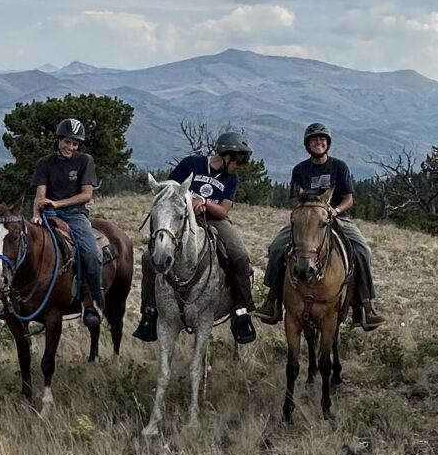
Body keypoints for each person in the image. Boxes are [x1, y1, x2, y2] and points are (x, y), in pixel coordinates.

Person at [134, 130, 257, 345]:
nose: (240, 166)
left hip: (214, 221)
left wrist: (206, 203)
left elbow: (223, 211)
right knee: (148, 258)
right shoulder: (192, 164)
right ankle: (149, 312)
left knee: (240, 257)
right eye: (238, 161)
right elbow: (168, 193)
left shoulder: (232, 179)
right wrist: (187, 204)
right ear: (226, 155)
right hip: (181, 219)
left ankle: (241, 311)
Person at [260, 123, 382, 331]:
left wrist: (335, 210)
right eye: (314, 140)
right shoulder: (300, 170)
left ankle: (365, 305)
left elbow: (349, 199)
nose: (319, 142)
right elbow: (294, 199)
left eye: (322, 139)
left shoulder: (339, 167)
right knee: (277, 248)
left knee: (363, 250)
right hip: (307, 219)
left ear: (328, 144)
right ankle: (272, 300)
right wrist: (304, 212)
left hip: (335, 217)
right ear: (307, 145)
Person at [29, 117, 103, 330]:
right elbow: (40, 195)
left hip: (75, 214)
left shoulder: (85, 161)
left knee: (91, 252)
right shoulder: (45, 163)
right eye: (67, 142)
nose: (70, 147)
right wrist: (36, 213)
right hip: (48, 213)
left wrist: (58, 203)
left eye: (74, 143)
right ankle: (13, 298)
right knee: (21, 244)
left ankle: (91, 300)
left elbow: (86, 195)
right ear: (59, 140)